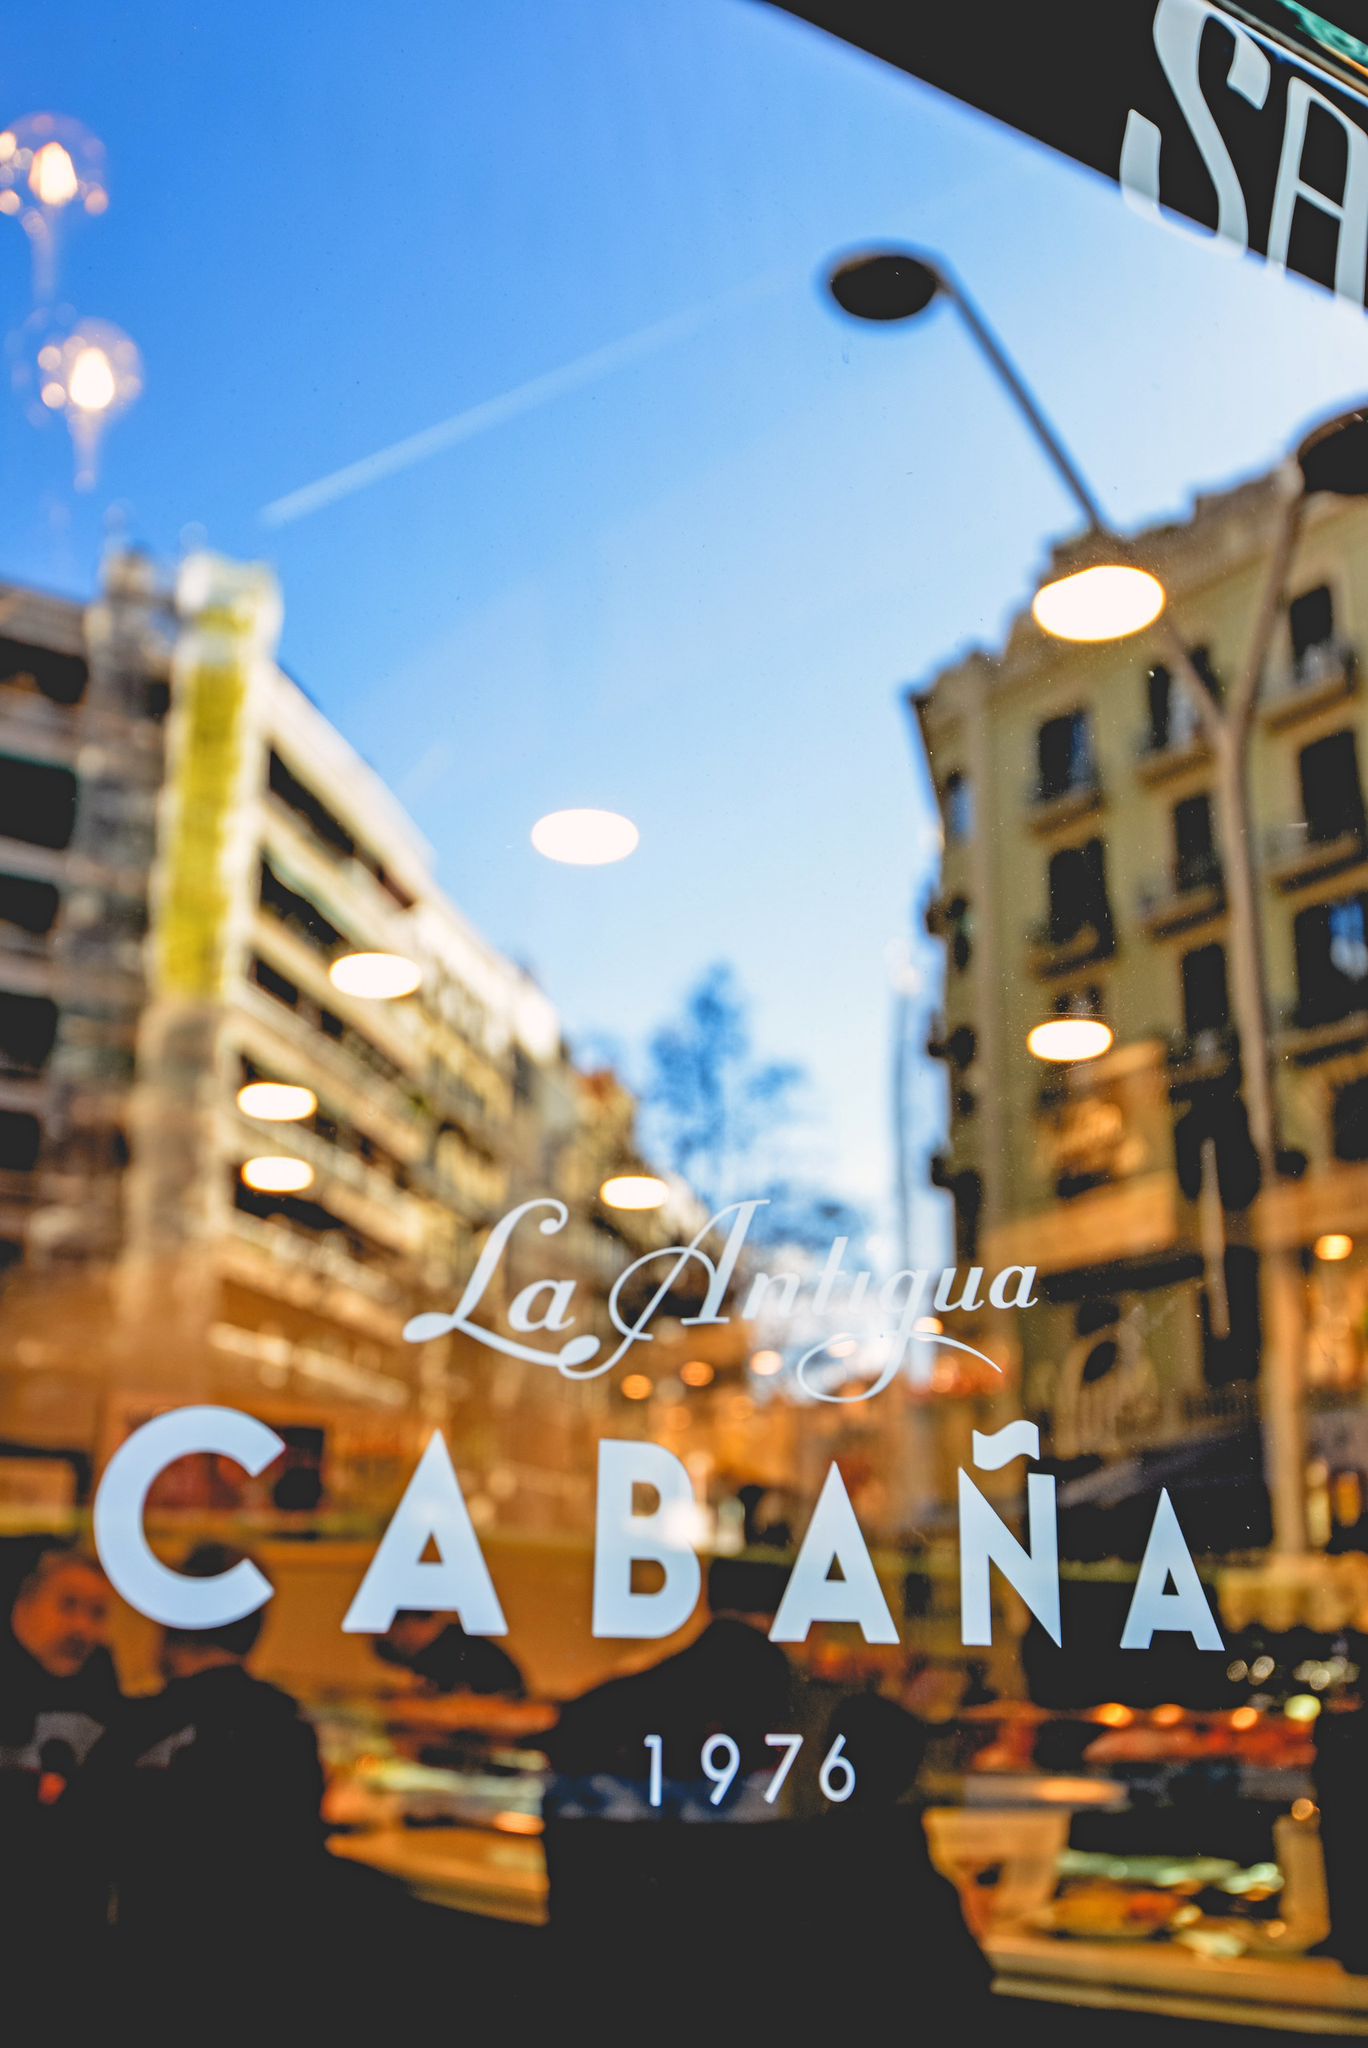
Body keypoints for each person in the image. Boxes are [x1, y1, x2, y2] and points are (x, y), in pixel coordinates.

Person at [89, 1544, 328, 2010]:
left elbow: (90, 1844)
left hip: (152, 1983)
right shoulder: (288, 1724)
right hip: (267, 1985)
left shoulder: (140, 1729)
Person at [0, 1544, 120, 2006]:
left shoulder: (101, 1685)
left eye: (97, 1613)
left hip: (70, 1942)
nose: (81, 1628)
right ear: (24, 1603)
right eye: (67, 1606)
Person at [373, 1608, 526, 1697]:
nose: (393, 1641)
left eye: (393, 1632)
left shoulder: (453, 1649)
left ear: (408, 1624)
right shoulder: (453, 1642)